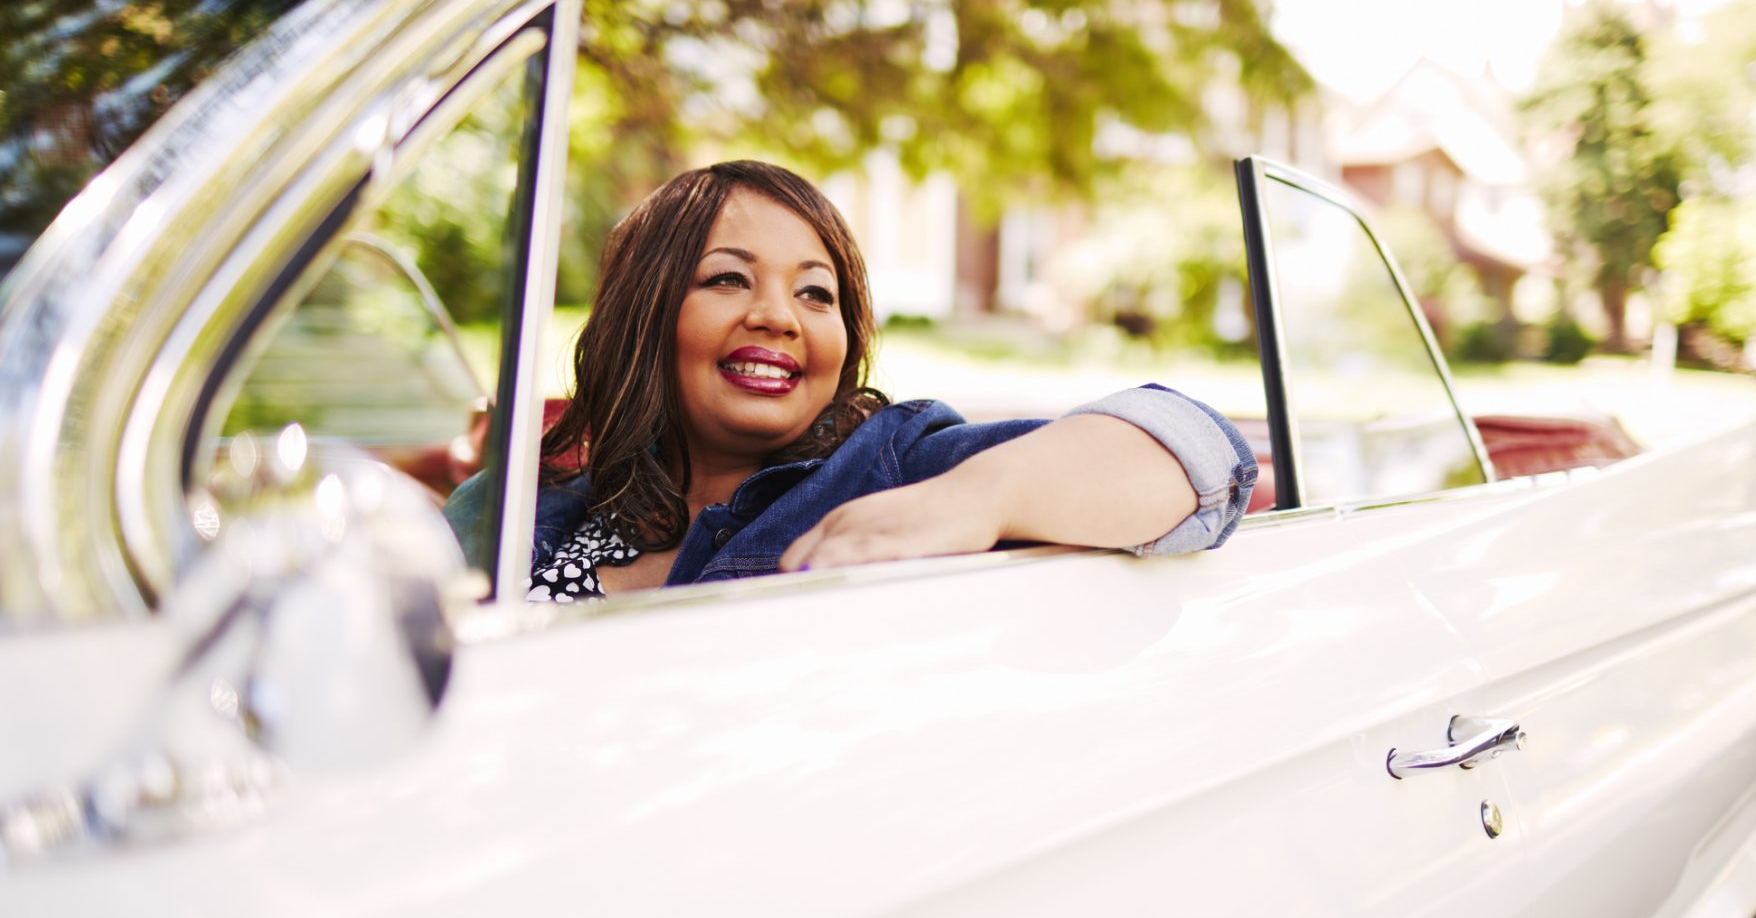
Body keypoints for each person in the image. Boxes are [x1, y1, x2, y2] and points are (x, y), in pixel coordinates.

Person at [456, 160, 1257, 601]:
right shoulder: (517, 507)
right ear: (643, 317)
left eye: (816, 293)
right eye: (729, 279)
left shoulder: (891, 466)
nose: (780, 316)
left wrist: (979, 498)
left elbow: (1194, 454)